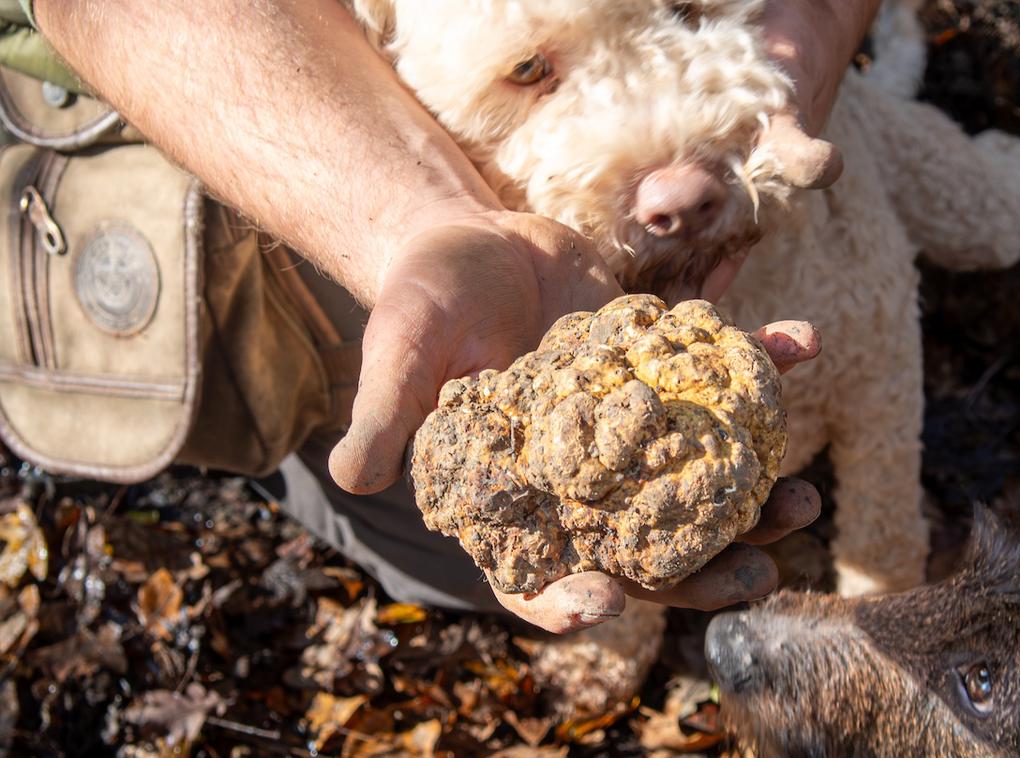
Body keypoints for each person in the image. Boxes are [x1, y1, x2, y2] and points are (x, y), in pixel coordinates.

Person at [30, 0, 882, 634]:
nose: (676, 180)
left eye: (680, 11)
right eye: (529, 73)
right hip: (173, 75)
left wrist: (807, 33)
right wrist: (420, 217)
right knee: (481, 557)